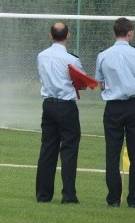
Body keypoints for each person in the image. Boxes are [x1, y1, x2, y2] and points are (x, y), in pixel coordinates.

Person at [95, 17, 135, 208]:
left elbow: (100, 83)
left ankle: (113, 199)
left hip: (113, 107)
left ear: (114, 32)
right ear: (130, 32)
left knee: (112, 153)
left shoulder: (103, 55)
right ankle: (134, 200)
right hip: (134, 106)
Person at [35, 22, 84, 204]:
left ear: (50, 36)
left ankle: (43, 195)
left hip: (48, 105)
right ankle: (69, 195)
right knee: (69, 150)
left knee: (48, 149)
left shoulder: (41, 56)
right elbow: (81, 81)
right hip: (66, 106)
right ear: (68, 35)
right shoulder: (72, 59)